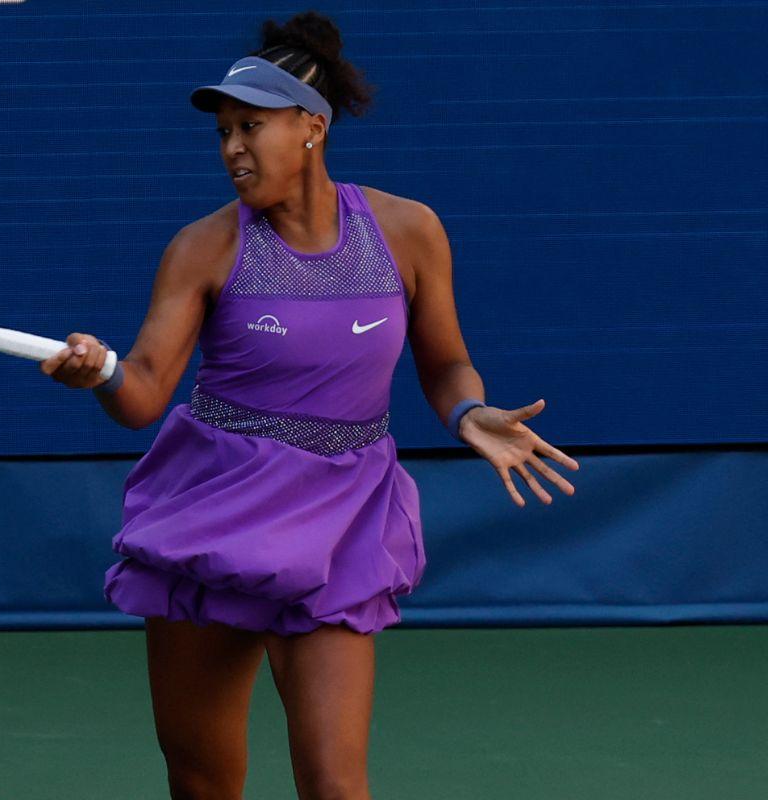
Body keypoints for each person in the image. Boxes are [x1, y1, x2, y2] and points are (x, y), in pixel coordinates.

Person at [40, 11, 580, 800]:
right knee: (203, 782)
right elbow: (145, 393)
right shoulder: (205, 247)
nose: (231, 148)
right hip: (217, 517)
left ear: (311, 129)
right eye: (223, 130)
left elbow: (446, 360)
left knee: (335, 783)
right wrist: (101, 375)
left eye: (250, 126)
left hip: (342, 520)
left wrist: (469, 413)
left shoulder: (407, 231)